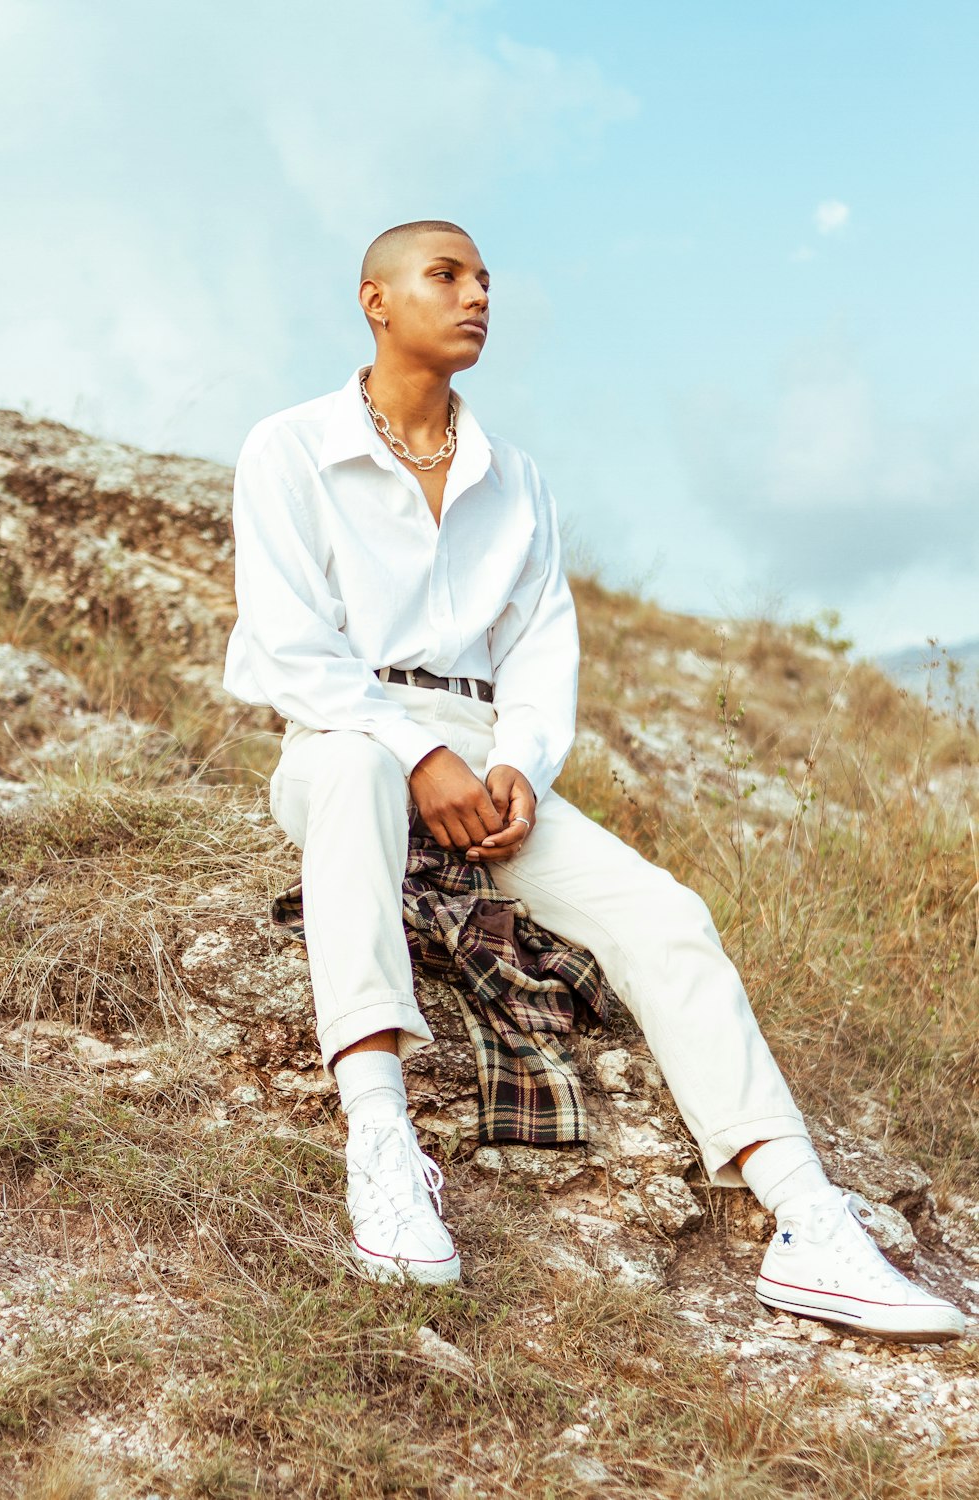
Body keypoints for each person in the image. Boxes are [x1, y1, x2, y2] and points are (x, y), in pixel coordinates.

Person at [222, 219, 964, 1343]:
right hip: (345, 733)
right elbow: (285, 641)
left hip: (485, 751)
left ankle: (808, 1219)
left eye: (484, 281)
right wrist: (414, 755)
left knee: (668, 914)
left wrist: (516, 764)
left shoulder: (514, 479)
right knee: (352, 783)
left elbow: (541, 650)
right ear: (375, 301)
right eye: (446, 275)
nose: (476, 295)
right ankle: (380, 1142)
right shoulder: (288, 448)